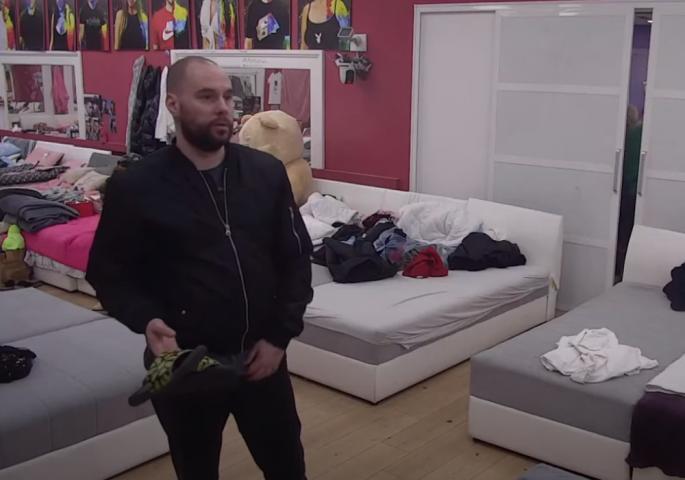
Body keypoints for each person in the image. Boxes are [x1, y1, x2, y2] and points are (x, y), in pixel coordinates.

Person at [86, 56, 312, 480]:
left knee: (286, 467)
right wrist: (146, 319)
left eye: (227, 96)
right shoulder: (136, 187)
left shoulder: (266, 173)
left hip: (262, 360)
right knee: (196, 470)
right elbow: (108, 273)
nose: (223, 107)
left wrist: (280, 337)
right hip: (186, 368)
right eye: (207, 97)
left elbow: (296, 258)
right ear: (173, 104)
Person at [615, 105, 643, 281]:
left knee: (622, 233)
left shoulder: (625, 137)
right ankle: (625, 272)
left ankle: (618, 271)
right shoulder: (638, 135)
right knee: (628, 234)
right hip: (633, 192)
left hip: (624, 191)